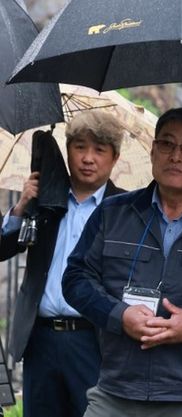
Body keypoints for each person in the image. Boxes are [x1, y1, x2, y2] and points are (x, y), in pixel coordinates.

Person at [62, 107, 182, 417]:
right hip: (116, 391)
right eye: (166, 144)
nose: (175, 156)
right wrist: (120, 315)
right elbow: (75, 279)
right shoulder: (113, 213)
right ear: (152, 151)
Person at [0, 110, 124, 417]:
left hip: (93, 341)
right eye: (80, 147)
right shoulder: (45, 202)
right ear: (67, 151)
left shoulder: (125, 209)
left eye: (99, 150)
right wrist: (22, 206)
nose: (88, 158)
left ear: (115, 157)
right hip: (40, 338)